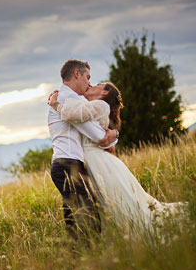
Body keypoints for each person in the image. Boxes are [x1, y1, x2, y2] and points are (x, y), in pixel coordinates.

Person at [48, 82, 188, 237]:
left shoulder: (99, 105)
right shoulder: (87, 105)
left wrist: (55, 104)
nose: (90, 85)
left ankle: (138, 233)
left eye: (97, 85)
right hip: (93, 161)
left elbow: (81, 122)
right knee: (108, 205)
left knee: (119, 204)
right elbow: (99, 132)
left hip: (98, 162)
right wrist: (114, 135)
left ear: (104, 93)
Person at [47, 60, 118, 242]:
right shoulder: (69, 99)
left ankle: (77, 261)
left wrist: (113, 135)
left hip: (67, 164)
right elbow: (96, 134)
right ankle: (90, 257)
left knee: (74, 221)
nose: (89, 83)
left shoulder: (65, 98)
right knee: (90, 218)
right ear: (77, 73)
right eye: (87, 77)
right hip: (67, 165)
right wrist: (112, 134)